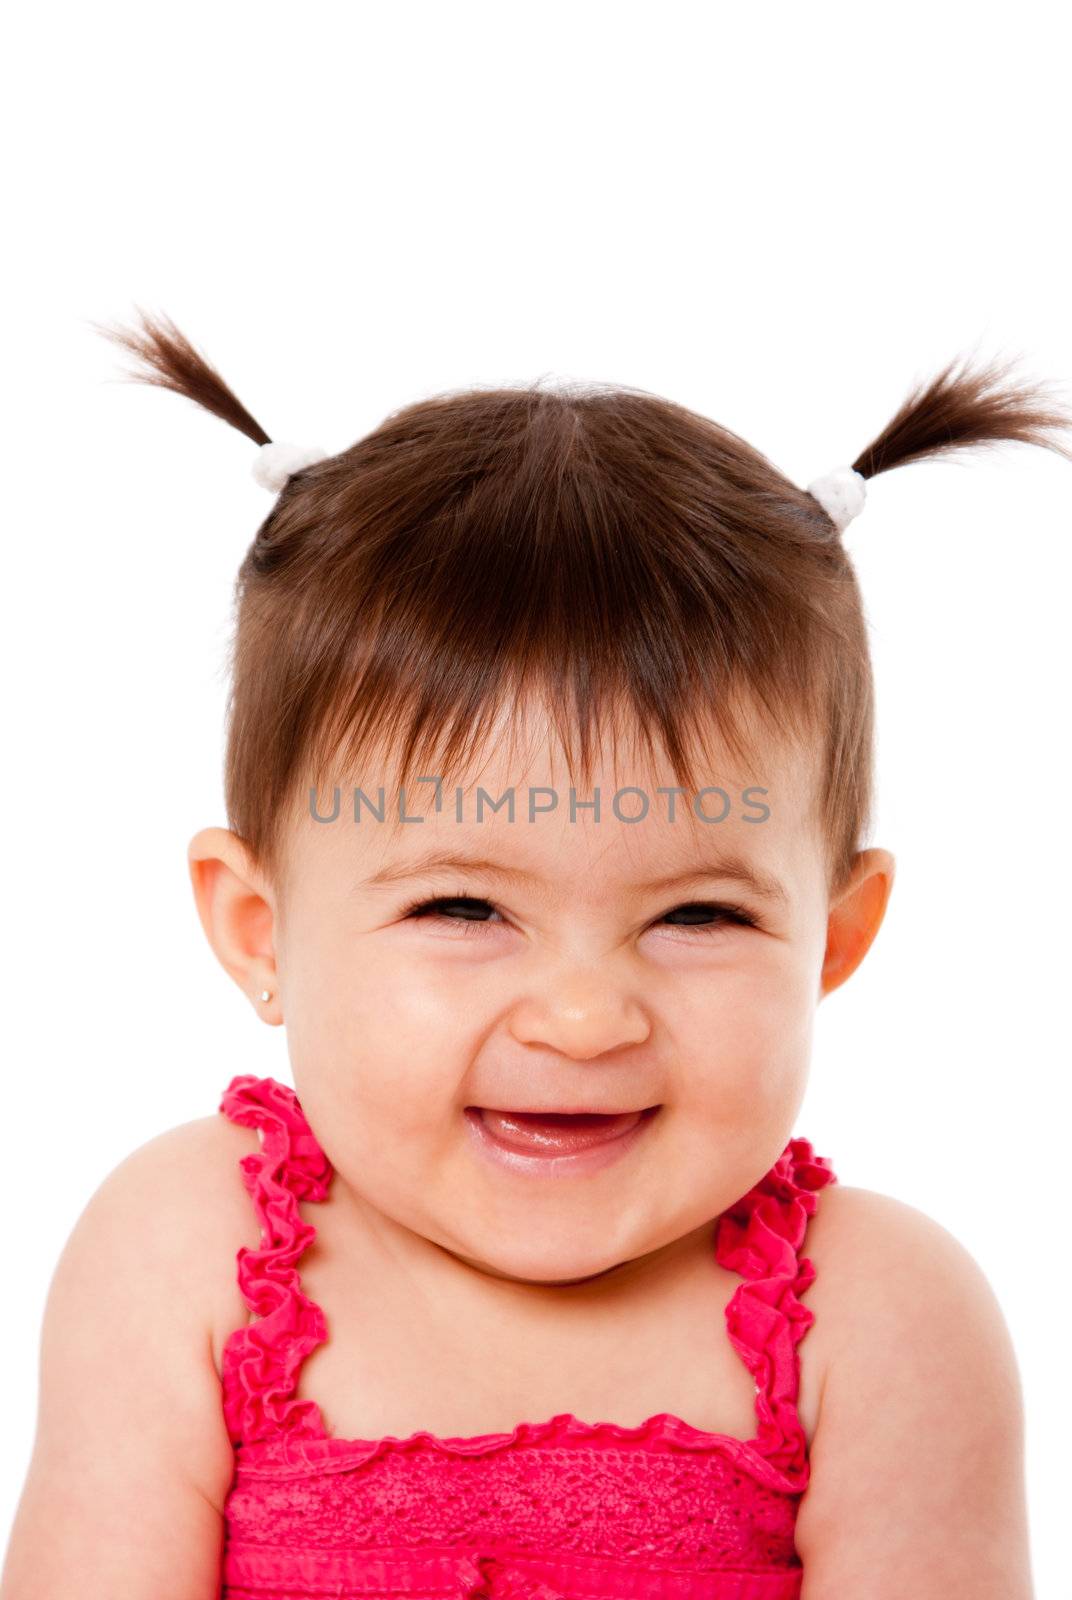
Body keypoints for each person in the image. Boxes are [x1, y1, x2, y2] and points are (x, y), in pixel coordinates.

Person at [4, 314, 1068, 1600]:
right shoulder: (191, 1255)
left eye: (698, 918)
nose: (580, 1016)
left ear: (833, 938)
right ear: (258, 928)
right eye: (463, 908)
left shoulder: (883, 1323)